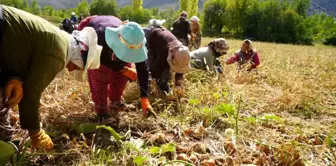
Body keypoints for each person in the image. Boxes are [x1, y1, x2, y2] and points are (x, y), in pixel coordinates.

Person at [0, 5, 103, 151]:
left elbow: (21, 47)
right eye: (79, 67)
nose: (71, 69)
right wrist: (36, 134)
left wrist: (14, 77)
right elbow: (31, 94)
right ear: (80, 57)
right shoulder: (58, 54)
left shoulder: (59, 41)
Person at [78, 16, 155, 118]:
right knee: (100, 76)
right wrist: (123, 69)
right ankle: (102, 113)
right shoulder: (99, 36)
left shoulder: (136, 39)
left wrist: (144, 98)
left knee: (121, 77)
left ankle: (115, 101)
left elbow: (143, 69)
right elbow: (100, 58)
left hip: (112, 33)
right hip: (96, 44)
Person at [144, 20, 191, 98]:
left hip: (161, 43)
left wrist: (178, 86)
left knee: (166, 75)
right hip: (150, 37)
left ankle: (163, 86)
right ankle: (145, 90)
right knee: (149, 65)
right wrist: (157, 86)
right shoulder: (164, 53)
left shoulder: (182, 53)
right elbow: (155, 71)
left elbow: (181, 69)